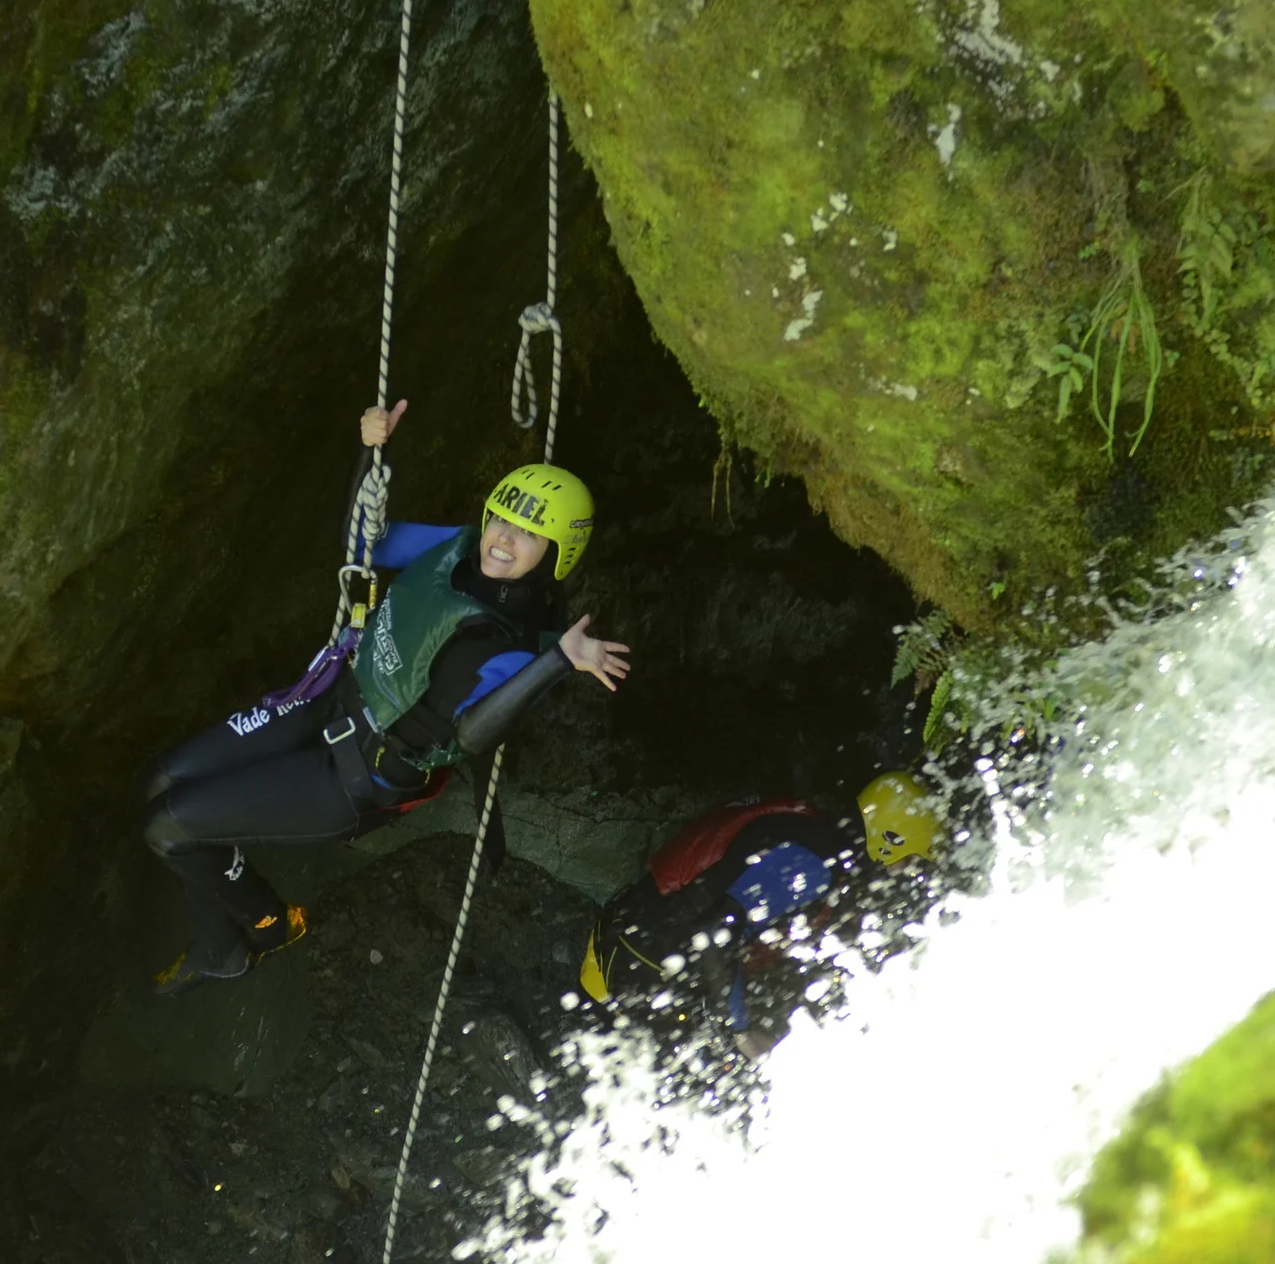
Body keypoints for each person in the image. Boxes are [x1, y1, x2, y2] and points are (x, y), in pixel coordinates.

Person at [144, 399, 631, 992]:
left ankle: (269, 925)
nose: (504, 538)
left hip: (353, 776)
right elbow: (362, 545)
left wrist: (559, 661)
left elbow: (474, 732)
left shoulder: (511, 647)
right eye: (502, 518)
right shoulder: (457, 546)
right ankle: (221, 948)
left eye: (531, 534)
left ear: (557, 555)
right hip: (328, 700)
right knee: (164, 782)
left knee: (168, 829)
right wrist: (370, 453)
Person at [575, 771, 942, 1055]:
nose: (906, 871)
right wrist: (740, 1032)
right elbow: (714, 934)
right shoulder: (813, 865)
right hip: (636, 972)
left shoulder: (812, 829)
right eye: (910, 859)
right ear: (890, 842)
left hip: (628, 935)